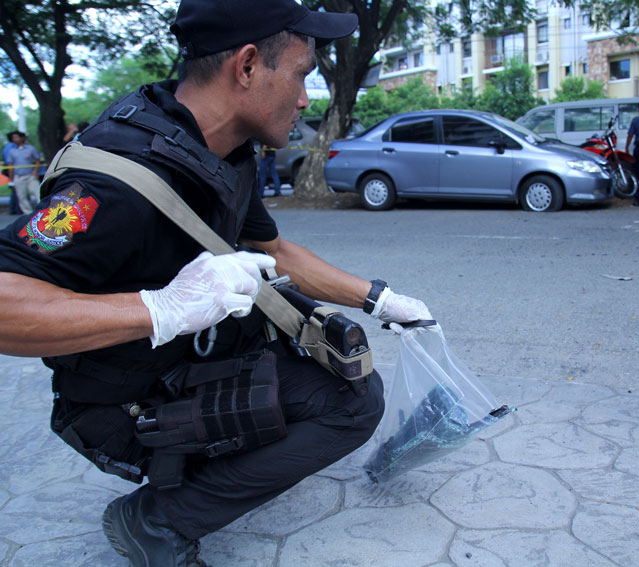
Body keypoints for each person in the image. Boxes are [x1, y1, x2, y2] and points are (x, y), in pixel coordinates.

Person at [0, 1, 432, 565]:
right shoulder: (119, 177)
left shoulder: (226, 151)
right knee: (348, 409)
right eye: (301, 74)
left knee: (350, 383)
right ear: (248, 65)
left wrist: (379, 298)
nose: (305, 99)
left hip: (187, 364)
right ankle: (157, 520)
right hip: (121, 401)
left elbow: (271, 251)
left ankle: (198, 473)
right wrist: (161, 309)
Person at [5, 130, 41, 214]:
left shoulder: (30, 148)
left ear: (22, 138)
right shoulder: (11, 151)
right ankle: (28, 214)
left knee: (38, 193)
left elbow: (37, 160)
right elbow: (10, 165)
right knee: (22, 197)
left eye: (17, 137)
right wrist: (11, 180)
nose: (15, 139)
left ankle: (42, 210)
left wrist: (35, 171)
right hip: (19, 176)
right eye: (13, 138)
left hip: (30, 175)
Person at [2, 132, 21, 215]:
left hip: (12, 169)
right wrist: (11, 176)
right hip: (12, 170)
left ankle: (13, 208)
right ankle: (15, 208)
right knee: (16, 190)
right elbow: (10, 162)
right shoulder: (12, 148)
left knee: (15, 190)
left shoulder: (8, 147)